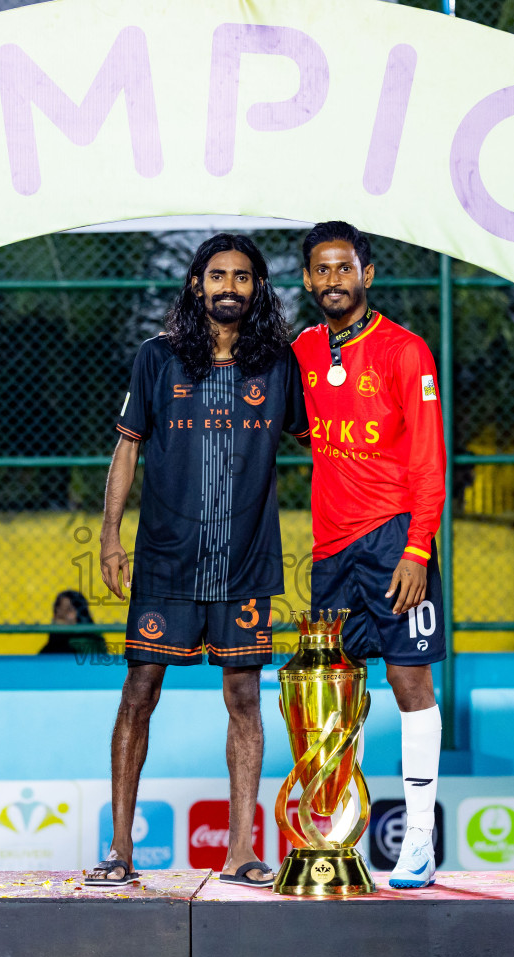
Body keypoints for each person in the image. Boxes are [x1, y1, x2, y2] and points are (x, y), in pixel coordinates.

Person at [87, 233, 308, 890]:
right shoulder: (156, 358)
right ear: (196, 284)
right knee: (139, 691)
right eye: (218, 275)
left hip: (245, 563)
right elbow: (127, 449)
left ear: (257, 288)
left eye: (243, 277)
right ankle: (121, 848)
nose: (230, 287)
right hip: (165, 562)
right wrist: (109, 537)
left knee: (244, 696)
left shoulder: (279, 364)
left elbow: (323, 445)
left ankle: (241, 849)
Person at [293, 221, 446, 889]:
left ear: (367, 274)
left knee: (409, 682)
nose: (333, 280)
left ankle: (418, 839)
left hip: (394, 541)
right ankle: (337, 832)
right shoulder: (301, 349)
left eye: (344, 268)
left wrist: (417, 547)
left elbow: (429, 460)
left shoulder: (406, 351)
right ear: (307, 279)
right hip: (331, 550)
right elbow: (298, 423)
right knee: (335, 690)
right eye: (321, 270)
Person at [40, 590, 108, 656]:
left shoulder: (92, 642)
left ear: (81, 614)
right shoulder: (50, 648)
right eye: (58, 609)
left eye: (68, 609)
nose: (61, 614)